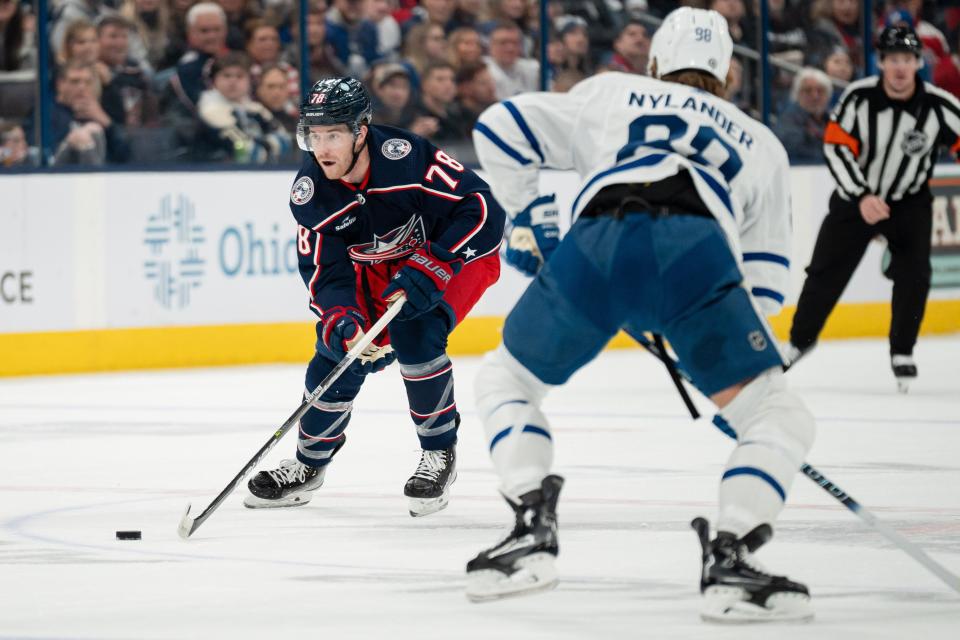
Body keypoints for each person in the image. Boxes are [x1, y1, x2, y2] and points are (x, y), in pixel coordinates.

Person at [467, 7, 816, 623]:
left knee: (505, 381)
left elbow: (498, 127)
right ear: (729, 74)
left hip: (598, 239)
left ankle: (529, 527)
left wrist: (530, 219)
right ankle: (731, 554)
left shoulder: (612, 91)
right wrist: (716, 357)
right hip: (698, 253)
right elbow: (764, 283)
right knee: (778, 416)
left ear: (654, 63)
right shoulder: (760, 141)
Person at [245, 77, 505, 517]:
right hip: (381, 265)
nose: (322, 147)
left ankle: (439, 451)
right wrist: (342, 318)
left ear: (361, 131)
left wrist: (437, 260)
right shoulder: (311, 193)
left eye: (334, 134)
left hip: (459, 253)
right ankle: (309, 466)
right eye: (313, 135)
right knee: (335, 352)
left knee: (415, 329)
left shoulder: (407, 158)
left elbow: (483, 210)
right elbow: (325, 272)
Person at [784, 25, 960, 393]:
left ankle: (902, 351)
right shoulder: (857, 97)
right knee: (824, 272)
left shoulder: (940, 106)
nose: (900, 68)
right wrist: (862, 195)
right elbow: (835, 146)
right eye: (893, 59)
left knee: (915, 275)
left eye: (907, 60)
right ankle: (800, 340)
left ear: (917, 63)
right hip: (856, 200)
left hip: (910, 202)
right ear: (880, 63)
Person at [773, 67, 832, 163]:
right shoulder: (788, 119)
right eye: (808, 90)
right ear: (797, 94)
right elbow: (793, 147)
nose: (815, 96)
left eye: (820, 91)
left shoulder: (833, 120)